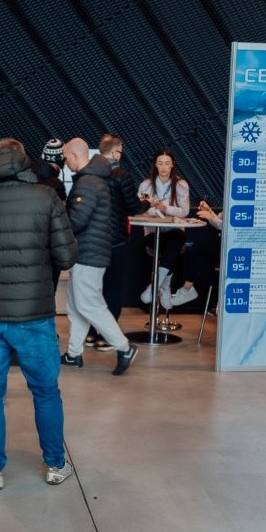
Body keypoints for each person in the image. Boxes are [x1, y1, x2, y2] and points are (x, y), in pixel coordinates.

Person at [0, 139, 78, 491]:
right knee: (46, 391)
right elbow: (67, 256)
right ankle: (55, 465)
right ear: (24, 161)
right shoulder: (46, 197)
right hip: (35, 313)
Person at [58, 138, 139, 375]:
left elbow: (77, 220)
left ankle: (124, 348)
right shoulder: (92, 179)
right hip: (88, 251)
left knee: (89, 305)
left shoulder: (88, 182)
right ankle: (74, 354)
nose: (65, 162)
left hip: (89, 253)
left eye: (66, 157)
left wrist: (56, 222)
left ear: (75, 155)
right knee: (76, 306)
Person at [85, 133, 147, 351]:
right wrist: (147, 203)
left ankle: (91, 334)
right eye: (120, 151)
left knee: (94, 288)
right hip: (115, 240)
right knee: (113, 288)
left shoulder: (89, 172)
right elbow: (133, 206)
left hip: (92, 240)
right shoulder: (121, 175)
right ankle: (106, 337)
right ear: (115, 152)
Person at [136, 148, 195, 308]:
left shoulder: (181, 185)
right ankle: (165, 285)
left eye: (167, 163)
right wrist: (153, 209)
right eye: (160, 163)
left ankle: (153, 287)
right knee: (170, 249)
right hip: (153, 233)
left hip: (175, 232)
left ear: (172, 165)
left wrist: (165, 208)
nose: (163, 167)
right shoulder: (146, 185)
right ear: (155, 165)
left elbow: (184, 211)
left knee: (174, 241)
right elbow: (140, 209)